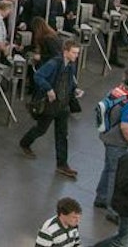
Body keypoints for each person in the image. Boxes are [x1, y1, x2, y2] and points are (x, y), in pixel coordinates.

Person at [20, 40, 81, 179]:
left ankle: (62, 164)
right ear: (65, 52)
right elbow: (38, 75)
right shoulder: (54, 63)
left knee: (62, 135)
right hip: (51, 104)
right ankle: (25, 142)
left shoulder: (71, 65)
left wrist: (74, 90)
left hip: (63, 104)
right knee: (41, 129)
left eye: (77, 53)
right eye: (74, 52)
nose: (76, 55)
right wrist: (48, 89)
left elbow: (70, 81)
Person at [94, 70, 128, 219]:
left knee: (108, 168)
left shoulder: (114, 92)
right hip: (118, 142)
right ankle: (112, 209)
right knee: (116, 174)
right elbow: (125, 127)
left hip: (107, 136)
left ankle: (101, 197)